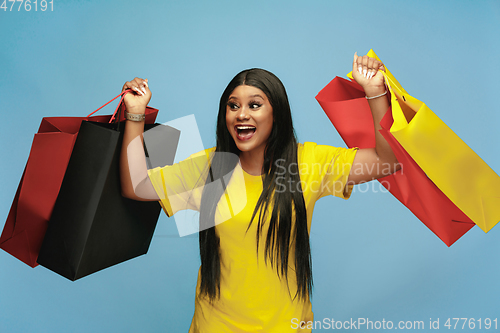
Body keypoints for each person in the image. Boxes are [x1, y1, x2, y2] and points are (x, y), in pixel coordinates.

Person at [119, 53, 399, 333]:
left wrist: (375, 92)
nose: (242, 114)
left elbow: (386, 162)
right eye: (233, 106)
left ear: (276, 114)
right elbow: (136, 185)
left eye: (255, 105)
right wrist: (135, 112)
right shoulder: (210, 168)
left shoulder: (309, 163)